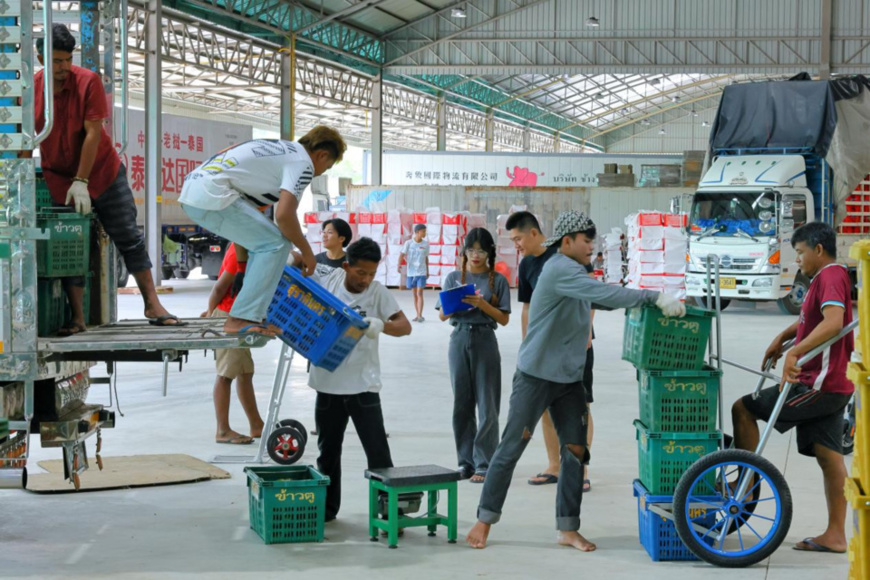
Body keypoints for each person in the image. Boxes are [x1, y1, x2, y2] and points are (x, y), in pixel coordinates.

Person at [466, 210, 685, 551]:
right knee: (510, 448)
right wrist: (652, 296)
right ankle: (484, 520)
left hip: (568, 378)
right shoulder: (558, 269)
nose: (591, 248)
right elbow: (607, 295)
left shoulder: (574, 269)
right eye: (586, 241)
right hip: (535, 375)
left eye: (593, 242)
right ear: (566, 241)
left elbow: (599, 298)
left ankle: (567, 528)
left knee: (575, 451)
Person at [27, 24, 182, 335]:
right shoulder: (32, 89)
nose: (63, 68)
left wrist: (82, 180)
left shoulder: (88, 82)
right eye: (56, 61)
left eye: (67, 60)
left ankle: (152, 303)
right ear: (41, 57)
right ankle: (78, 318)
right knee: (70, 243)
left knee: (127, 235)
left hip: (102, 172)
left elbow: (93, 133)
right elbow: (24, 138)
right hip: (59, 177)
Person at [732, 222, 853, 554]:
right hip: (835, 385)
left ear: (817, 249)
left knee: (744, 408)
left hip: (818, 384)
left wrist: (795, 353)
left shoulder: (829, 276)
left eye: (799, 253)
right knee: (829, 457)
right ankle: (836, 535)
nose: (797, 260)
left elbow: (833, 322)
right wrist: (784, 338)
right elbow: (809, 318)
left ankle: (746, 484)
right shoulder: (829, 277)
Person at [179, 126, 347, 337]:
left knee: (268, 241)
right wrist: (307, 253)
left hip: (195, 192)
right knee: (277, 244)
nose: (321, 172)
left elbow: (247, 225)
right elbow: (284, 216)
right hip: (214, 194)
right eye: (327, 166)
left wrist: (241, 268)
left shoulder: (279, 150)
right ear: (322, 155)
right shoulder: (302, 163)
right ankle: (241, 317)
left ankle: (247, 314)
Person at [293, 238, 412, 522]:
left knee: (378, 453)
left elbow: (405, 326)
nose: (366, 279)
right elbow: (297, 261)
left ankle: (389, 515)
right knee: (328, 452)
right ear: (346, 266)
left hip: (363, 385)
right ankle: (327, 511)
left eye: (372, 273)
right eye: (361, 273)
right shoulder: (330, 278)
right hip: (328, 383)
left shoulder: (378, 293)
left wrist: (382, 325)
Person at [507, 212, 595, 490]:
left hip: (574, 346)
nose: (516, 245)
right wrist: (526, 345)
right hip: (542, 351)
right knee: (545, 407)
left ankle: (580, 471)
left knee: (579, 408)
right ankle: (555, 466)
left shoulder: (566, 253)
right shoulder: (526, 266)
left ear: (534, 233)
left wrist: (586, 333)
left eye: (518, 239)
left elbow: (592, 295)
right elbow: (527, 308)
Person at [438, 228, 511, 484]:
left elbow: (503, 319)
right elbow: (442, 315)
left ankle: (484, 462)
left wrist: (482, 305)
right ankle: (465, 462)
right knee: (462, 403)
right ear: (464, 252)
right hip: (458, 339)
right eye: (471, 250)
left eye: (481, 250)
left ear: (489, 252)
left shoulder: (498, 280)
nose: (475, 255)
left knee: (487, 403)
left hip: (485, 340)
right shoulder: (453, 278)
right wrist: (458, 303)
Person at [200, 243, 265, 445]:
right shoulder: (237, 251)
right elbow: (220, 286)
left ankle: (257, 425)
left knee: (245, 372)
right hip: (229, 317)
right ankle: (223, 430)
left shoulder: (248, 248)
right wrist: (211, 313)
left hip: (241, 317)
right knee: (226, 374)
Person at [399, 224, 430, 322]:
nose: (425, 233)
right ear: (417, 232)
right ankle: (417, 315)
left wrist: (427, 270)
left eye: (425, 231)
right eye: (423, 231)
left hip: (421, 272)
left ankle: (420, 315)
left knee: (419, 292)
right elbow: (402, 254)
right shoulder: (408, 243)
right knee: (414, 294)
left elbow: (426, 257)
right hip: (411, 273)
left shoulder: (426, 244)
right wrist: (398, 265)